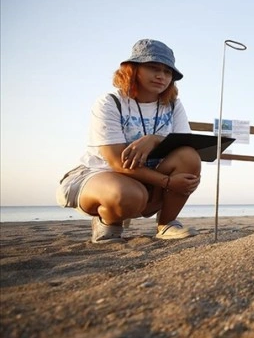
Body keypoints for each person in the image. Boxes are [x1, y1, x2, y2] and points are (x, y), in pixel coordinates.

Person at [56, 39, 201, 243]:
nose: (161, 76)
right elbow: (116, 162)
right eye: (153, 68)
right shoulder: (110, 102)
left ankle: (167, 224)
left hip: (146, 180)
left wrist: (154, 140)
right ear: (133, 69)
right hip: (104, 175)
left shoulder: (173, 105)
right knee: (129, 194)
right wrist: (168, 182)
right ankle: (108, 222)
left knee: (189, 156)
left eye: (168, 72)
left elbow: (184, 145)